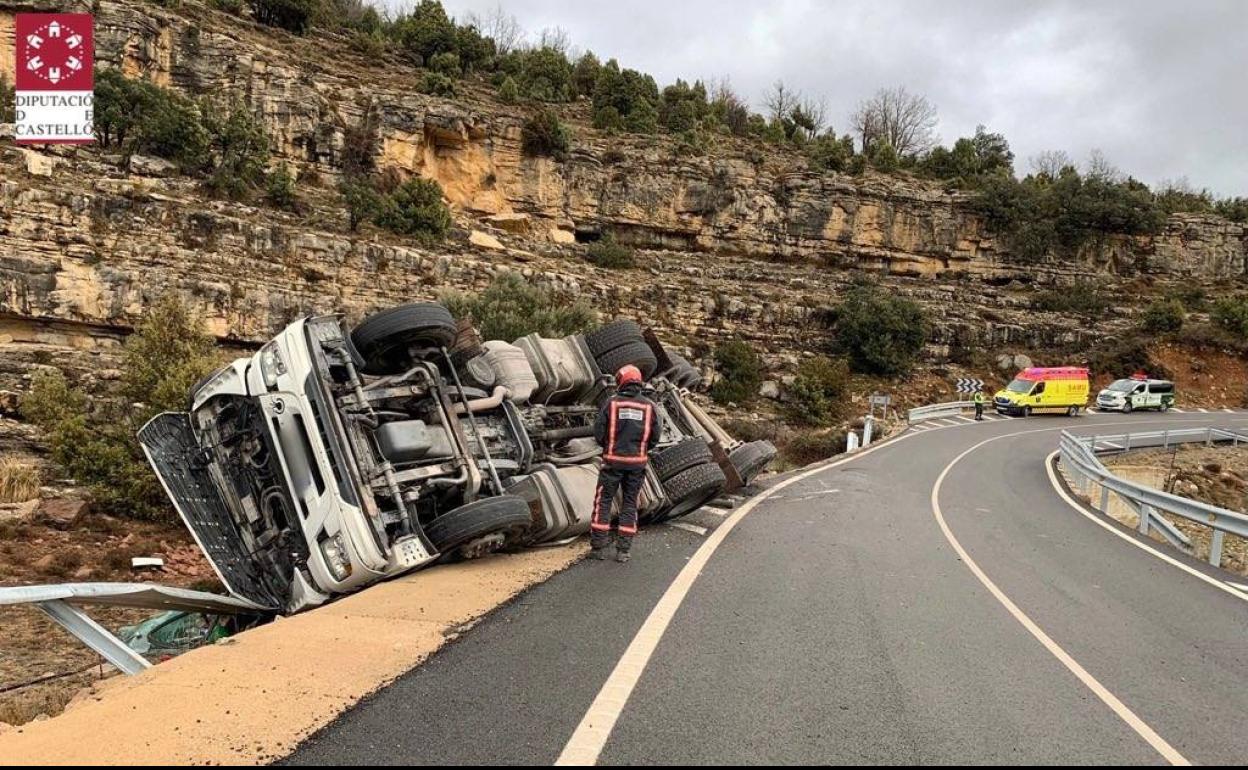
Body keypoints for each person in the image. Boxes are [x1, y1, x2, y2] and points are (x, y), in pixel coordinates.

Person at [590, 364, 662, 563]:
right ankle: (623, 550)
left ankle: (598, 549)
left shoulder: (611, 403)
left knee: (603, 502)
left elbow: (599, 432)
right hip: (636, 465)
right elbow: (655, 437)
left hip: (612, 462)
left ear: (620, 381)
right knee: (630, 504)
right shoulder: (649, 407)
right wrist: (640, 450)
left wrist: (609, 447)